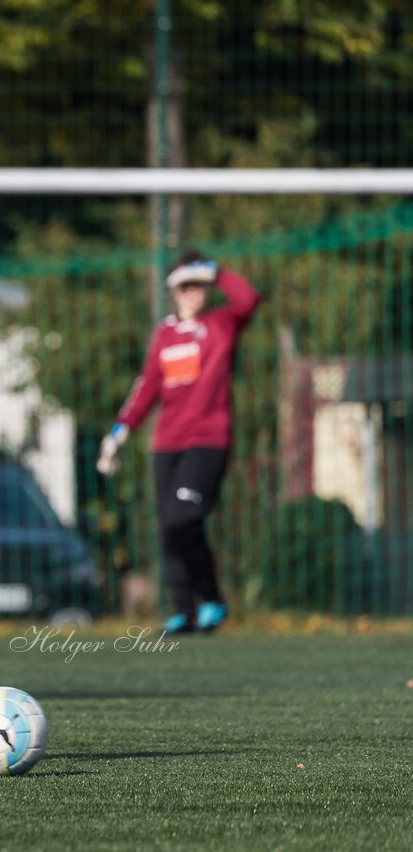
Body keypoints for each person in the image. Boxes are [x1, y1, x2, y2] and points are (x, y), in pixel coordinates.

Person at [97, 251, 260, 635]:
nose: (192, 293)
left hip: (208, 439)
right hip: (166, 443)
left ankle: (213, 598)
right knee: (172, 527)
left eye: (198, 285)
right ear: (174, 291)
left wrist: (217, 272)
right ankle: (184, 610)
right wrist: (120, 430)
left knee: (181, 516)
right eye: (185, 286)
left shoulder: (221, 324)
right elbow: (148, 386)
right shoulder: (165, 335)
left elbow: (249, 300)